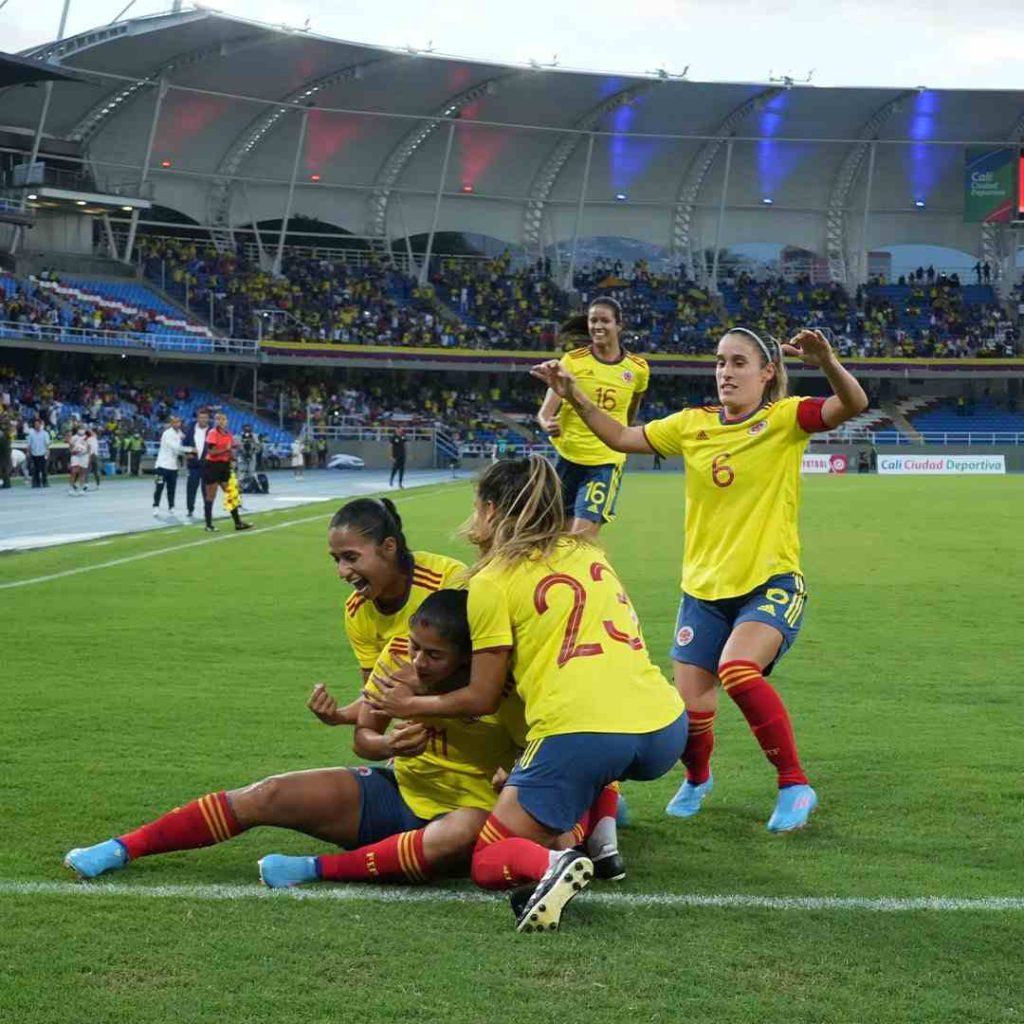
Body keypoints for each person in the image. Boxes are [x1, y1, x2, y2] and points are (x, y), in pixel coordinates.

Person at [532, 326, 868, 833]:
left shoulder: (785, 418)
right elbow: (621, 437)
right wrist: (573, 394)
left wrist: (826, 360)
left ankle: (795, 783)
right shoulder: (692, 424)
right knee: (692, 706)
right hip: (703, 590)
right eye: (719, 362)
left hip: (770, 581)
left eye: (737, 363)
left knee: (737, 670)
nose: (725, 373)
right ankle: (698, 777)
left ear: (766, 372)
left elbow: (853, 402)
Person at [367, 457, 687, 933]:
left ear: (491, 511)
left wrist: (409, 706)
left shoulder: (490, 582)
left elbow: (480, 697)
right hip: (665, 727)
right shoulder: (589, 552)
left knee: (489, 861)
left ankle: (556, 863)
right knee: (584, 772)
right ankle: (600, 833)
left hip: (583, 733)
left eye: (477, 507)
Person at [64, 592, 519, 884]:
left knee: (462, 827)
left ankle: (314, 870)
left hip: (468, 821)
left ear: (469, 660)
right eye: (415, 646)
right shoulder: (398, 661)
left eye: (434, 655)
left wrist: (508, 780)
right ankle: (123, 847)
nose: (417, 661)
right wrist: (387, 747)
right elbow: (364, 738)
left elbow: (536, 763)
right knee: (270, 792)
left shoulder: (505, 694)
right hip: (398, 793)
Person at [307, 497, 466, 729]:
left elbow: (487, 678)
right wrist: (337, 716)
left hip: (483, 735)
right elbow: (377, 697)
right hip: (424, 740)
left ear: (389, 547)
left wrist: (420, 686)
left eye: (351, 558)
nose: (342, 572)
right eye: (336, 559)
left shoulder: (448, 581)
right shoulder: (357, 611)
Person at [535, 298, 649, 539]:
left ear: (619, 325)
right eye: (593, 320)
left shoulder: (638, 369)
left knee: (580, 540)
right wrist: (548, 424)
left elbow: (630, 414)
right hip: (568, 459)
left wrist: (621, 438)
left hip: (605, 462)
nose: (598, 326)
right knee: (558, 539)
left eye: (604, 320)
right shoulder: (573, 361)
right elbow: (545, 413)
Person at [201, 412, 251, 532]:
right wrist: (226, 449)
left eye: (223, 419)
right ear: (215, 421)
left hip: (224, 466)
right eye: (218, 419)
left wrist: (232, 459)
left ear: (227, 421)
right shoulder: (212, 433)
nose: (221, 421)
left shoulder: (229, 434)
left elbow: (232, 450)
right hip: (212, 466)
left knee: (230, 494)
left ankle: (238, 523)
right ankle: (208, 525)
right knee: (210, 496)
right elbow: (211, 452)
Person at [152, 415, 184, 518]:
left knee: (171, 489)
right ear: (171, 423)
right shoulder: (167, 434)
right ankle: (156, 506)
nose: (177, 424)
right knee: (159, 487)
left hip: (173, 468)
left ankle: (171, 507)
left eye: (178, 422)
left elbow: (183, 440)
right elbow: (176, 448)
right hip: (161, 466)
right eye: (174, 422)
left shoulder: (179, 433)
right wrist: (190, 450)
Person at [182, 408, 210, 520]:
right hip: (193, 465)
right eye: (201, 417)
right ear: (197, 418)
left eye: (205, 418)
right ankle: (190, 509)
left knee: (206, 489)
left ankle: (207, 510)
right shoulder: (190, 430)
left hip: (208, 465)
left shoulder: (212, 431)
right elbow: (184, 444)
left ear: (208, 419)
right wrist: (187, 453)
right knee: (191, 488)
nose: (203, 420)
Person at [67, 426, 90, 495]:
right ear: (77, 430)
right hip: (75, 456)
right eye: (80, 429)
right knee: (74, 471)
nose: (81, 430)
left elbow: (89, 447)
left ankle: (81, 488)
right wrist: (72, 451)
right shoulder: (74, 437)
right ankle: (71, 488)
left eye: (83, 429)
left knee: (82, 472)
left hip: (84, 456)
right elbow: (70, 446)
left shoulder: (87, 437)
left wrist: (87, 453)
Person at [27, 419, 50, 488]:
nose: (36, 425)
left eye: (38, 424)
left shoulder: (45, 433)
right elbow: (29, 444)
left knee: (43, 469)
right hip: (34, 453)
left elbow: (47, 444)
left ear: (40, 425)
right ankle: (36, 483)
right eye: (35, 424)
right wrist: (28, 452)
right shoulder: (31, 433)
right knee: (35, 469)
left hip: (42, 453)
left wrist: (47, 452)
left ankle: (45, 482)